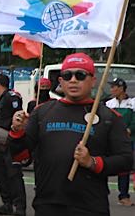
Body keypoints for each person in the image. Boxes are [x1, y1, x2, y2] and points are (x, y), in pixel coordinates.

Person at [10, 53, 132, 215]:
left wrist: (92, 162)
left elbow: (126, 161)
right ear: (60, 81)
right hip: (48, 204)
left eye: (80, 75)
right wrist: (16, 132)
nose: (73, 80)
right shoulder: (42, 112)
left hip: (90, 206)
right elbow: (19, 156)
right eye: (67, 76)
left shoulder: (110, 117)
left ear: (93, 81)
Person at [0, 74, 25, 216]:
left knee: (14, 175)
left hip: (11, 143)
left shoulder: (11, 97)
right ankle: (7, 203)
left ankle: (19, 207)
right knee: (0, 175)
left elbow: (18, 117)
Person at [105, 77, 135, 206]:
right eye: (111, 87)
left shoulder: (133, 103)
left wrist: (129, 130)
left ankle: (123, 196)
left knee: (125, 167)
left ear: (121, 88)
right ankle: (102, 192)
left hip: (128, 140)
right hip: (111, 140)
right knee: (106, 165)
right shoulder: (108, 104)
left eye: (114, 87)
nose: (111, 89)